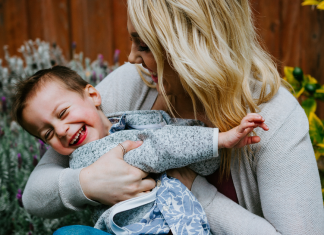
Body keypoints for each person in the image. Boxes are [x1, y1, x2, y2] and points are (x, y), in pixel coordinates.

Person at [23, 0, 324, 234]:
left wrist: (195, 191)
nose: (131, 58)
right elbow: (35, 193)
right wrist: (88, 183)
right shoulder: (136, 82)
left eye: (144, 45)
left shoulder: (274, 117)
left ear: (193, 48)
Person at [13, 66, 267, 234]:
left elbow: (199, 165)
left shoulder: (137, 120)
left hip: (181, 223)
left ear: (93, 95)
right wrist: (219, 140)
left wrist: (213, 150)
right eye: (48, 134)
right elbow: (156, 151)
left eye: (63, 113)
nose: (61, 130)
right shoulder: (86, 157)